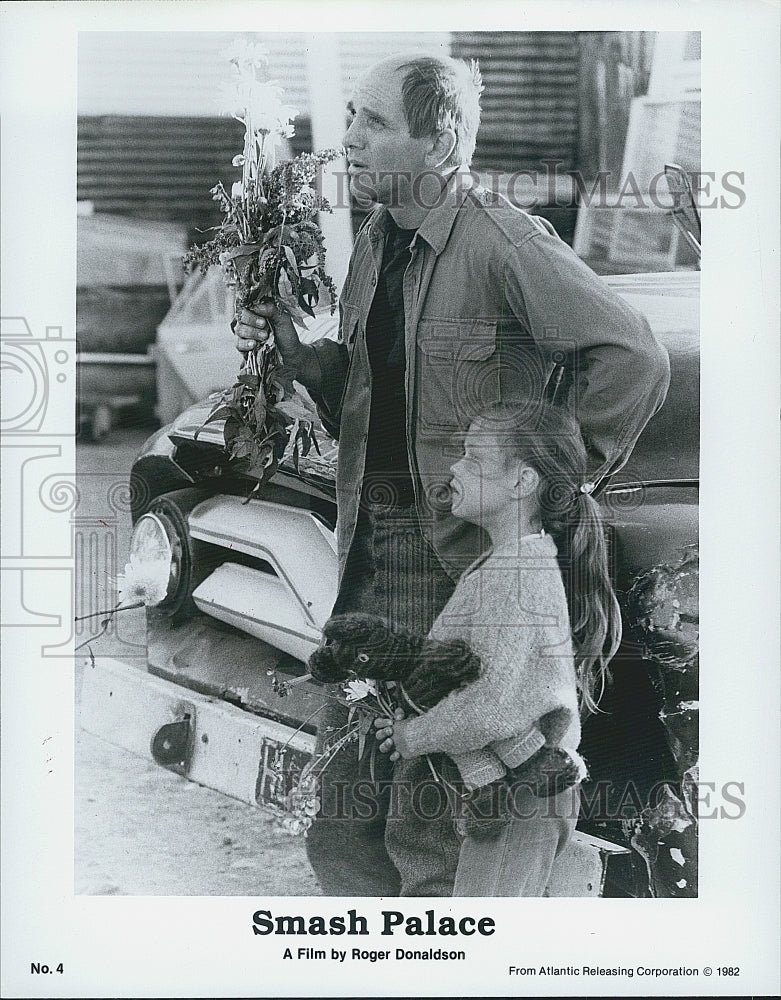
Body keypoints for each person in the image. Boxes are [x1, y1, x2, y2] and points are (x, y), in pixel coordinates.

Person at [234, 53, 670, 896]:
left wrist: (545, 485)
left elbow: (632, 356)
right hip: (370, 551)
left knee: (428, 831)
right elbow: (367, 398)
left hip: (458, 565)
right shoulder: (376, 241)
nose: (349, 140)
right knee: (343, 819)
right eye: (352, 118)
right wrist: (291, 351)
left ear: (439, 139)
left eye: (373, 123)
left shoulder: (503, 242)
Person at [367, 399, 619, 895]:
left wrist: (412, 736)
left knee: (490, 940)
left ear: (522, 483)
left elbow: (491, 707)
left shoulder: (515, 575)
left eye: (474, 457)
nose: (455, 468)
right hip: (514, 788)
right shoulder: (508, 563)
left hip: (527, 791)